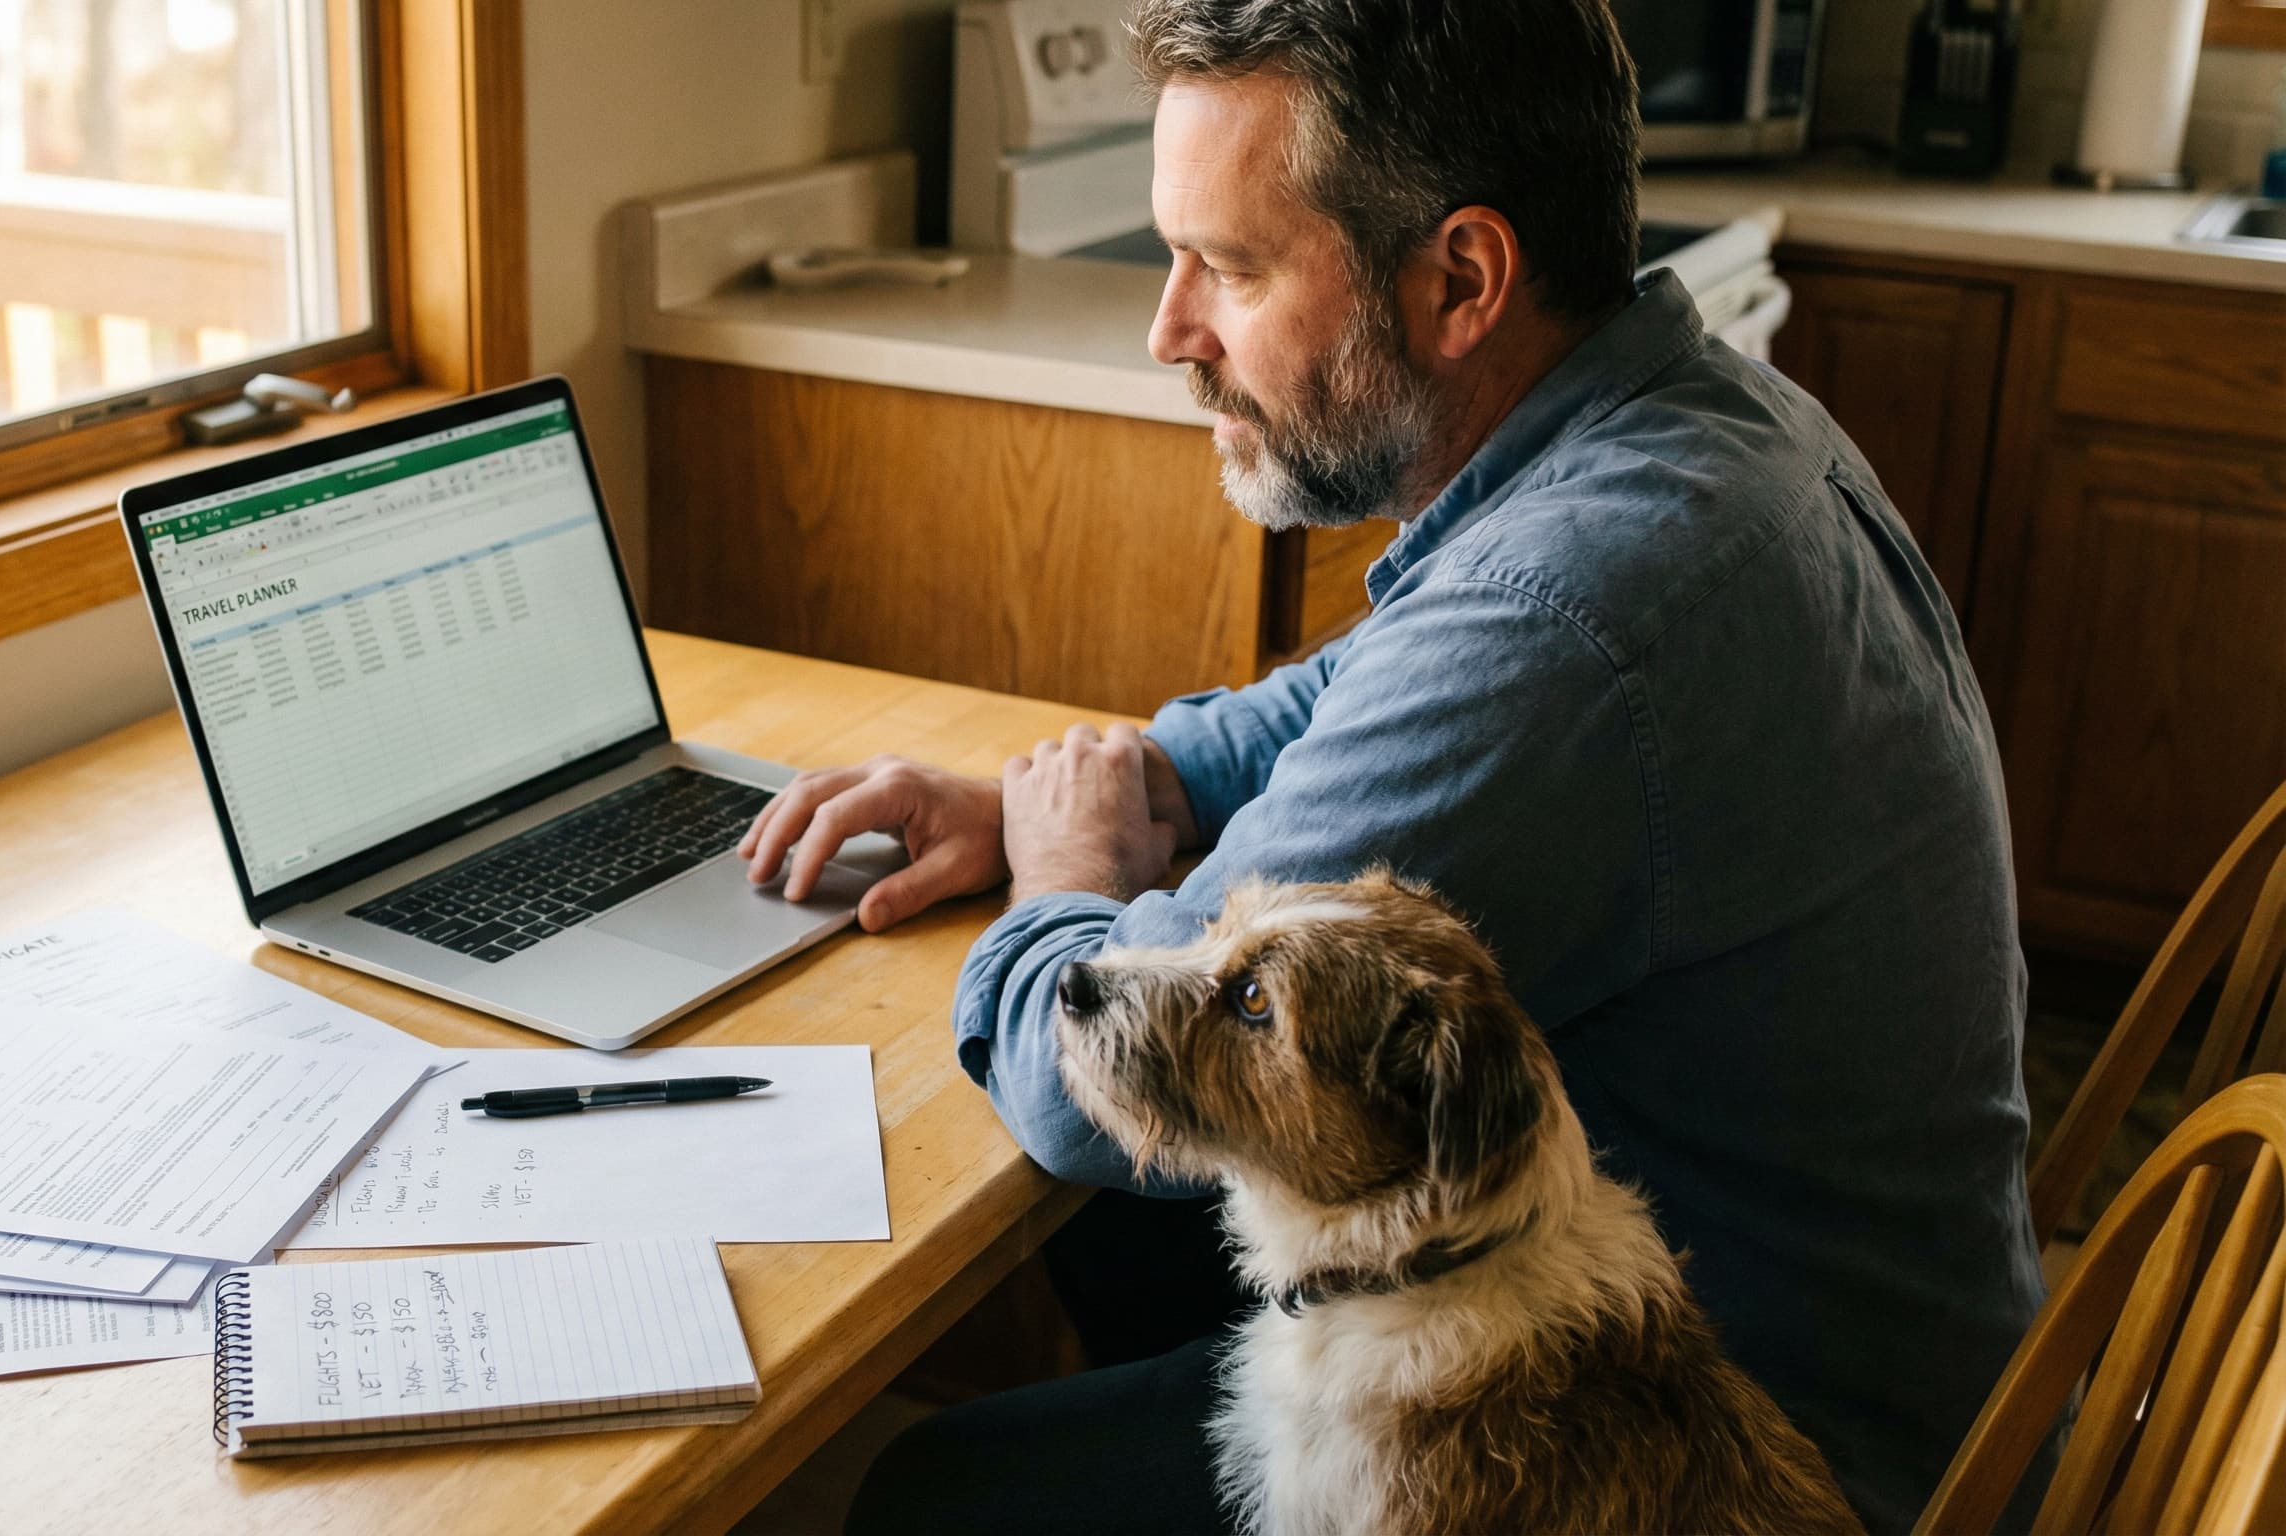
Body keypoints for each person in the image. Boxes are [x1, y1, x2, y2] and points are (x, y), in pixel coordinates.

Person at [739, 2, 2043, 1530]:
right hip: (1820, 1342)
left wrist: (1067, 886)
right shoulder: (1686, 427)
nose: (1170, 330)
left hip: (1750, 1456)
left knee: (938, 1493)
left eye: (1225, 266)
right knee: (1124, 1233)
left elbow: (1092, 1092)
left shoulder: (1574, 615)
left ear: (1463, 280)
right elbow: (1349, 700)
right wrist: (1123, 782)